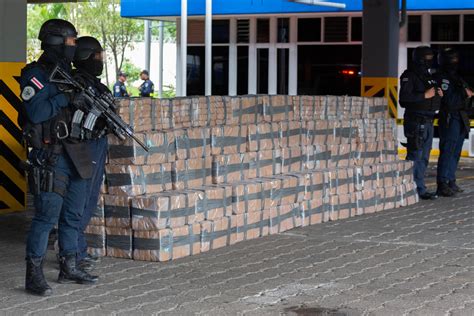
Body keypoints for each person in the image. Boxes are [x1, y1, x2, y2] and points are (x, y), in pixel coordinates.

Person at [20, 19, 98, 297]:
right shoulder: (36, 74)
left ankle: (70, 266)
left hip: (76, 152)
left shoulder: (71, 74)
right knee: (46, 216)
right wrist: (65, 99)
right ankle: (34, 274)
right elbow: (36, 113)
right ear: (55, 40)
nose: (73, 47)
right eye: (71, 41)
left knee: (74, 214)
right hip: (50, 154)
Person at [72, 36, 109, 271]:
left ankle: (77, 248)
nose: (100, 61)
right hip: (84, 146)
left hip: (97, 142)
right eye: (97, 57)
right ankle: (74, 252)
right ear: (85, 57)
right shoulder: (76, 83)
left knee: (90, 199)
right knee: (80, 201)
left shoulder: (95, 85)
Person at [399, 46, 443, 200]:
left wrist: (438, 95)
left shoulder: (428, 76)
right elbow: (404, 99)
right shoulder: (409, 76)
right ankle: (408, 187)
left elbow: (431, 97)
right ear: (419, 58)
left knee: (424, 157)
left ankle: (420, 188)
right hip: (416, 121)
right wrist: (425, 95)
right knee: (415, 155)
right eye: (427, 57)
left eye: (431, 57)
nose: (430, 60)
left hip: (429, 121)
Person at [435, 48, 473, 196]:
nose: (454, 62)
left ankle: (450, 180)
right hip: (450, 116)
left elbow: (469, 92)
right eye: (452, 59)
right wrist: (464, 94)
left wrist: (465, 93)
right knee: (448, 150)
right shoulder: (441, 78)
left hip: (461, 116)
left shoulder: (456, 77)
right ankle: (442, 183)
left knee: (456, 152)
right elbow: (449, 100)